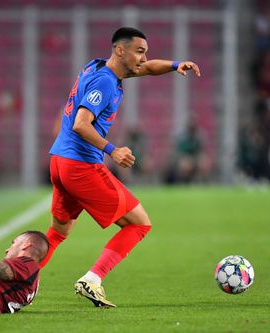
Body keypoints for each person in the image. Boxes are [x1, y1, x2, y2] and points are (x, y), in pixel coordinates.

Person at [42, 27, 201, 307]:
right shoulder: (105, 82)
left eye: (145, 52)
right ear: (120, 50)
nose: (144, 57)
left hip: (59, 162)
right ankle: (93, 279)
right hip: (81, 165)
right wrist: (112, 150)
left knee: (58, 233)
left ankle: (14, 279)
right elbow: (81, 123)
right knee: (140, 224)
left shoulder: (98, 67)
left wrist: (176, 65)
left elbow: (149, 69)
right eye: (139, 51)